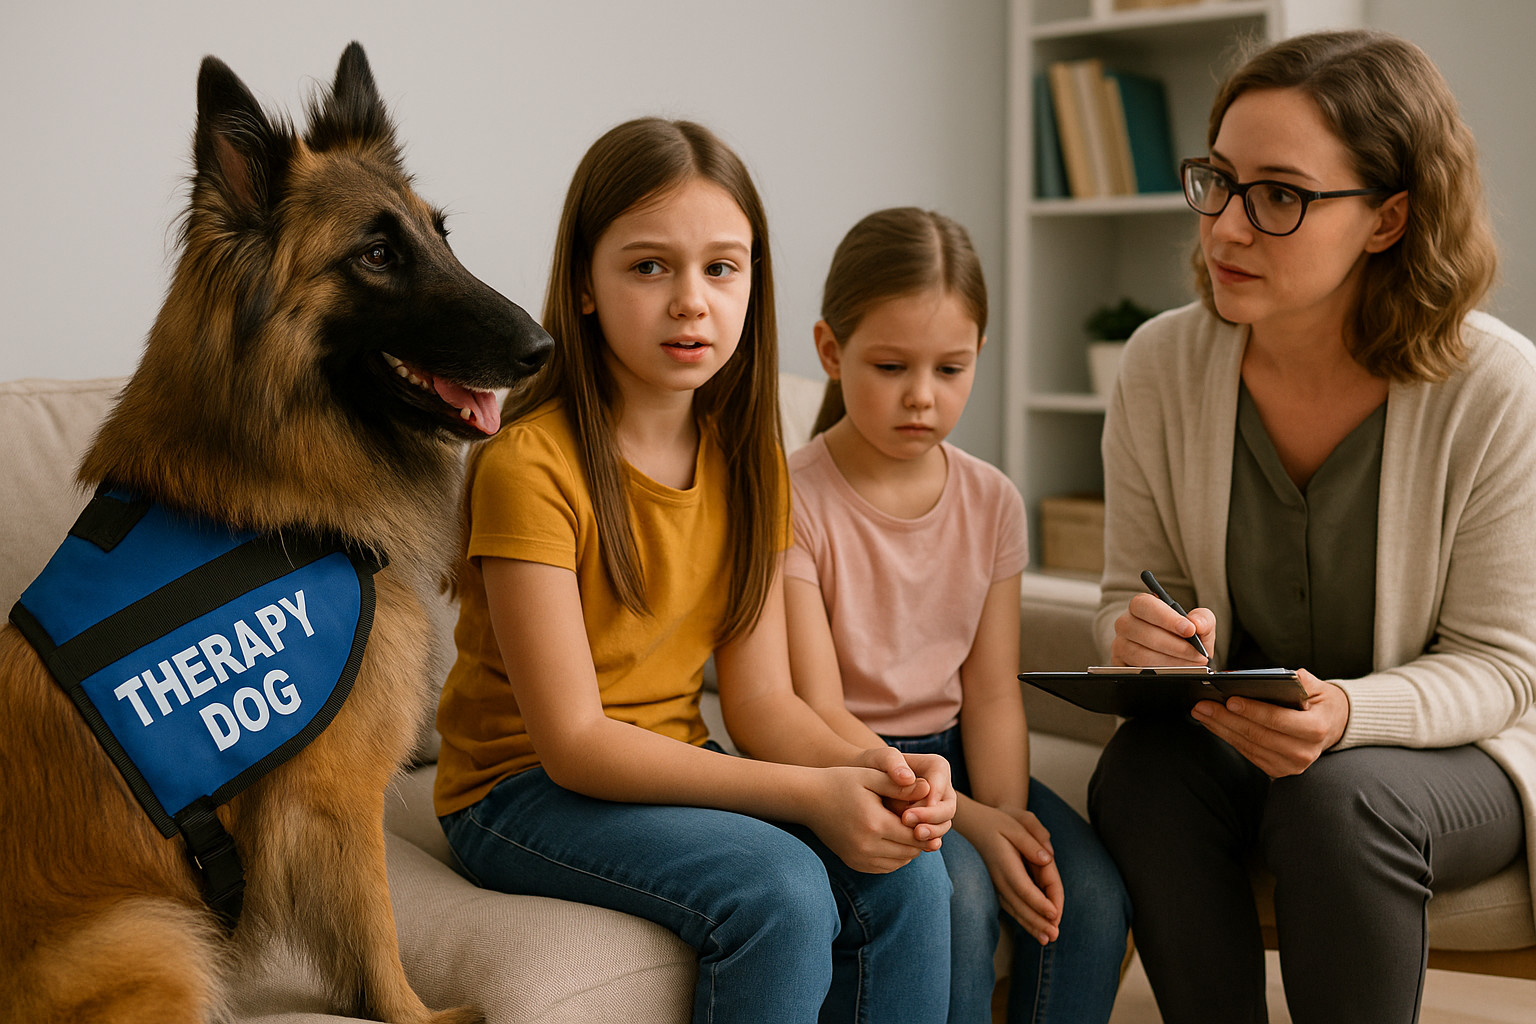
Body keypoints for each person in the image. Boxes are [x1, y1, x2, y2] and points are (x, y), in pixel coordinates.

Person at [432, 118, 957, 1023]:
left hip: (671, 763)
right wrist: (811, 795)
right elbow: (575, 743)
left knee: (907, 872)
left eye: (722, 268)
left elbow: (761, 705)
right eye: (648, 266)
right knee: (783, 889)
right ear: (586, 285)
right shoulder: (530, 465)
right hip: (515, 794)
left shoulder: (751, 462)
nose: (691, 302)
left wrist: (884, 769)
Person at [1087, 30, 1536, 1024]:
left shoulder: (1496, 387)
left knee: (1340, 801)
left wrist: (1345, 714)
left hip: (1455, 753)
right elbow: (1130, 592)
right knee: (1142, 779)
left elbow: (1504, 666)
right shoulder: (1161, 365)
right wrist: (1137, 637)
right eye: (1219, 180)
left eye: (1280, 195)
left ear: (1387, 218)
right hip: (1243, 737)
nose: (1229, 228)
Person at [785, 207, 1131, 1024]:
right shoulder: (791, 496)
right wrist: (972, 827)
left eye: (951, 369)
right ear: (832, 352)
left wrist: (1006, 819)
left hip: (959, 762)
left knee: (1088, 894)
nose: (921, 397)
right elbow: (816, 706)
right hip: (855, 765)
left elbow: (993, 693)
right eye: (891, 366)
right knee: (961, 899)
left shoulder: (992, 501)